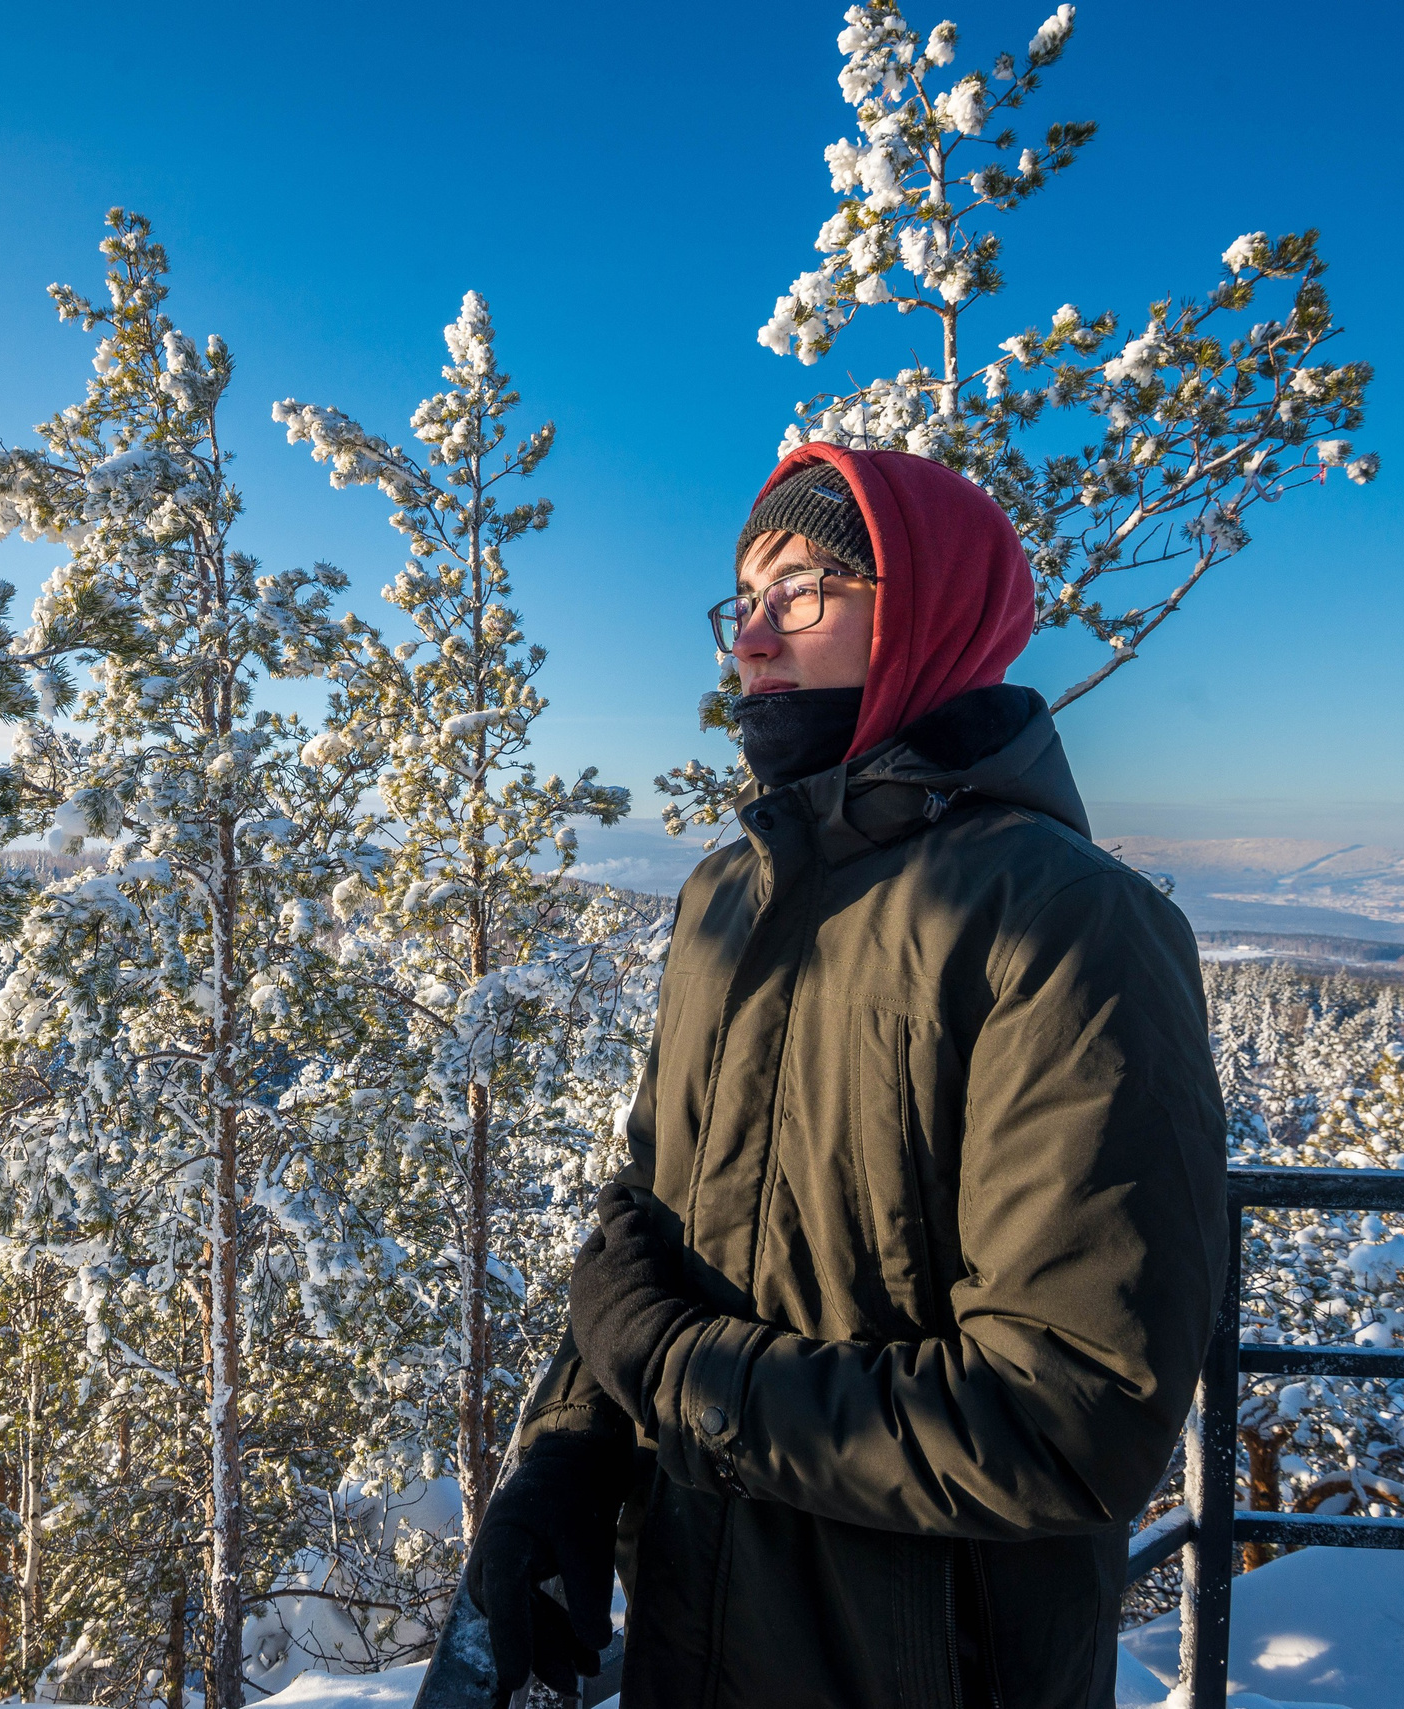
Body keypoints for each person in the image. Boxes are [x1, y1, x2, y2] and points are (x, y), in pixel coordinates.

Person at [465, 445, 1228, 1709]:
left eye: (805, 586)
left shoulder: (1067, 925)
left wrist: (675, 1377)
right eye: (741, 601)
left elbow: (1070, 1412)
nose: (752, 641)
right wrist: (569, 1450)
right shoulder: (732, 891)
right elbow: (647, 1238)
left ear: (926, 609)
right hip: (691, 1641)